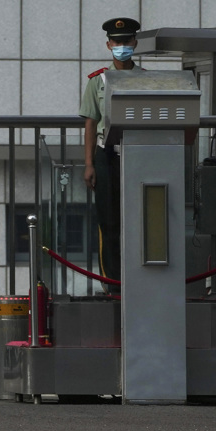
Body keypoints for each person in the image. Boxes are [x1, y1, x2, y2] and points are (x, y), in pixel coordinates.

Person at [80, 17, 144, 290]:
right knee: (109, 220)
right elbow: (90, 123)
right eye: (116, 42)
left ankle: (139, 278)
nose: (121, 46)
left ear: (135, 43)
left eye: (126, 41)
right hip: (107, 155)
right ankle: (113, 282)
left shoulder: (146, 79)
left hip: (138, 153)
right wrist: (89, 163)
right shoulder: (98, 80)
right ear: (108, 45)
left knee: (139, 218)